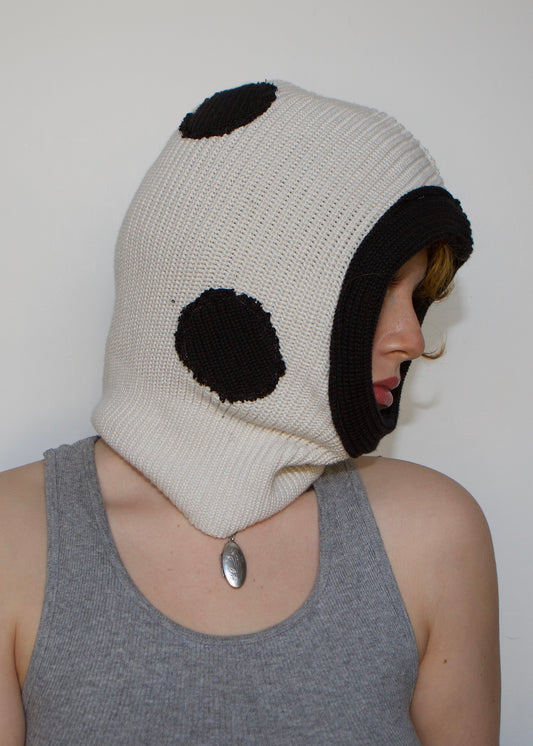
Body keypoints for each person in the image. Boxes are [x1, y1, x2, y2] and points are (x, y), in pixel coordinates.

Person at [0, 81, 499, 744]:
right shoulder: (15, 540)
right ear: (265, 287)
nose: (412, 338)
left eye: (416, 296)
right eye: (379, 289)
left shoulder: (434, 535)